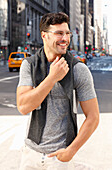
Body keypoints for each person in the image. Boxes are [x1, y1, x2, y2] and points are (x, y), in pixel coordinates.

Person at [17, 12, 99, 170]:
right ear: (44, 35)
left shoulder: (78, 70)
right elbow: (23, 107)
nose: (65, 39)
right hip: (30, 155)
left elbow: (93, 117)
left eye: (67, 33)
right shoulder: (29, 65)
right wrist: (52, 78)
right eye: (59, 33)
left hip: (59, 158)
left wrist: (70, 151)